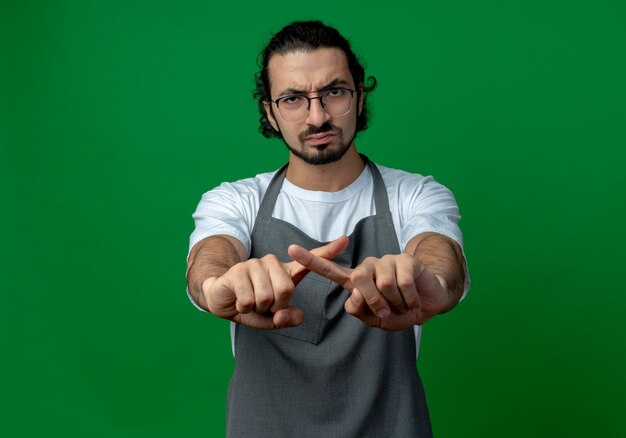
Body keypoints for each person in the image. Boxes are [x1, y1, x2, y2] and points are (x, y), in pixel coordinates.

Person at [186, 20, 469, 438]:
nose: (317, 116)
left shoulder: (416, 194)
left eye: (334, 92)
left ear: (359, 95)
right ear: (270, 111)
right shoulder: (235, 200)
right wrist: (217, 285)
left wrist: (431, 280)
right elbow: (210, 255)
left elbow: (436, 249)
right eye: (294, 99)